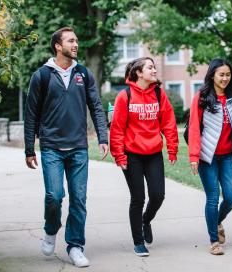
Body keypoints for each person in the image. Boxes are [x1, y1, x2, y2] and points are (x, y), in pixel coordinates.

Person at [23, 27, 109, 267]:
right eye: (71, 41)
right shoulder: (42, 75)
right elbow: (31, 115)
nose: (76, 44)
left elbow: (96, 106)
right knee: (54, 196)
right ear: (58, 46)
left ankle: (75, 246)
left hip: (78, 147)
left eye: (77, 40)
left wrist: (103, 137)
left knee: (79, 199)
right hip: (51, 147)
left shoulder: (84, 73)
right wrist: (29, 148)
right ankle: (51, 229)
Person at [109, 57, 178, 257]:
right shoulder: (125, 95)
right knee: (138, 198)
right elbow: (117, 128)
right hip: (132, 155)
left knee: (158, 196)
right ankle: (138, 241)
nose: (154, 70)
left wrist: (172, 148)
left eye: (154, 67)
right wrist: (119, 155)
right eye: (150, 67)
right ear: (139, 72)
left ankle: (146, 220)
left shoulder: (158, 93)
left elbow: (168, 122)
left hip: (154, 153)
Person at [188, 58, 232, 255]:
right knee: (213, 197)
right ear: (212, 75)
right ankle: (214, 241)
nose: (225, 78)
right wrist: (194, 155)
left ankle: (216, 221)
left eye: (228, 75)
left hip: (227, 157)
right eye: (221, 74)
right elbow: (194, 128)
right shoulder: (202, 97)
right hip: (208, 157)